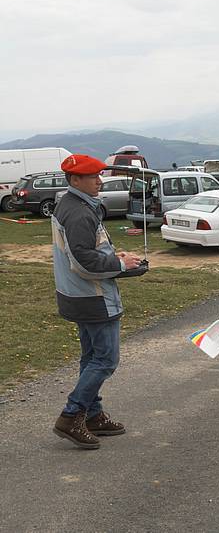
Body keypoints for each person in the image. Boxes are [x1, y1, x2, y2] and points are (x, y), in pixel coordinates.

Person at [52, 154, 142, 449]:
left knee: (91, 357)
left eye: (99, 175)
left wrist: (116, 256)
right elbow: (84, 262)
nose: (100, 181)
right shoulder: (79, 213)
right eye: (93, 177)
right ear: (75, 180)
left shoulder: (70, 204)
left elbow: (86, 254)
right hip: (93, 297)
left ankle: (93, 414)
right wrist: (121, 265)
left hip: (77, 295)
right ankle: (71, 415)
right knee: (105, 360)